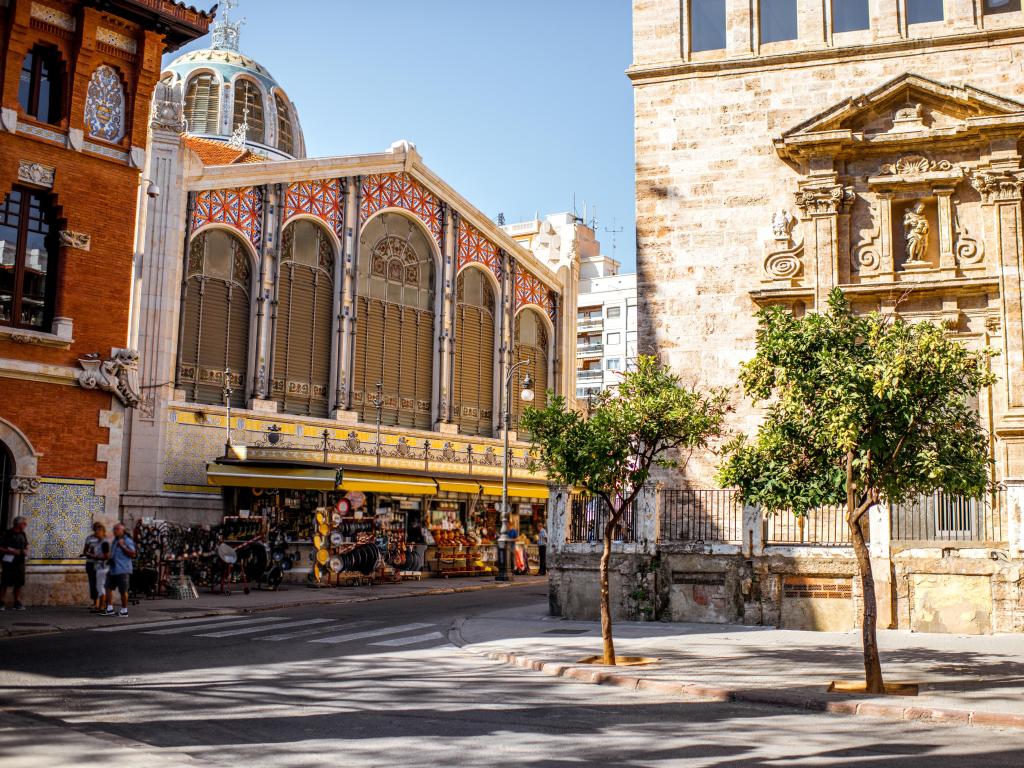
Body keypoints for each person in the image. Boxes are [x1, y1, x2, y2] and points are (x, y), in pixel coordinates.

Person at [103, 523, 136, 617]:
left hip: (123, 569)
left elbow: (133, 554)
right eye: (114, 529)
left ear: (122, 530)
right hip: (113, 568)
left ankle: (124, 610)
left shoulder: (127, 540)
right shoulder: (115, 540)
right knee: (108, 587)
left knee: (123, 590)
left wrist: (123, 546)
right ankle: (109, 609)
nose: (114, 531)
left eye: (117, 529)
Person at [0, 516, 29, 611]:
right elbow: (1, 547)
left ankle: (16, 602)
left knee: (19, 582)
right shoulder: (7, 533)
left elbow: (26, 545)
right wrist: (10, 551)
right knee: (5, 582)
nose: (26, 525)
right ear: (18, 524)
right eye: (24, 523)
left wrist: (25, 550)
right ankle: (1, 601)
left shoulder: (23, 534)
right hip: (8, 561)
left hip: (19, 561)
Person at [82, 522, 107, 612]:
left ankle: (102, 605)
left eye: (98, 529)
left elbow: (107, 554)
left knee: (100, 584)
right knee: (92, 583)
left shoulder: (104, 540)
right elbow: (85, 550)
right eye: (95, 529)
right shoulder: (89, 538)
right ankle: (95, 603)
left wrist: (95, 555)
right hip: (90, 563)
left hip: (100, 565)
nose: (96, 531)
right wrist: (88, 553)